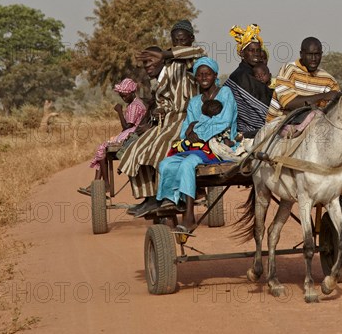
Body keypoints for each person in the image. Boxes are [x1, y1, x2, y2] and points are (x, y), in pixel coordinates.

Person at [266, 36, 342, 220]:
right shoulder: (289, 70)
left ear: (321, 55)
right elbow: (288, 102)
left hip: (316, 128)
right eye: (310, 54)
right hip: (284, 126)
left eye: (317, 55)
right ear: (301, 54)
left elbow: (339, 109)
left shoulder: (328, 79)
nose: (314, 59)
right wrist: (323, 96)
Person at [118, 20, 205, 216]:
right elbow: (165, 99)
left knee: (159, 151)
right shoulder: (169, 67)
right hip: (169, 120)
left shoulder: (194, 60)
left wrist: (165, 54)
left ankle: (171, 196)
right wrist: (161, 110)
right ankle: (149, 198)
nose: (179, 43)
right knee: (136, 149)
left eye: (183, 40)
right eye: (175, 40)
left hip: (187, 119)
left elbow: (197, 51)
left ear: (190, 39)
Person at [153, 57, 239, 231]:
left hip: (219, 146)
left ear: (215, 75)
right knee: (165, 163)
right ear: (196, 78)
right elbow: (186, 129)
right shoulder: (194, 102)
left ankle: (189, 217)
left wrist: (196, 130)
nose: (204, 77)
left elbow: (223, 122)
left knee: (188, 164)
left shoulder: (225, 94)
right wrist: (190, 132)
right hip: (197, 148)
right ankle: (173, 201)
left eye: (208, 74)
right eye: (200, 75)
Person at [78, 78, 146, 195]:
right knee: (103, 149)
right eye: (121, 96)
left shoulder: (134, 106)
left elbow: (126, 126)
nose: (123, 98)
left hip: (133, 134)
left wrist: (119, 111)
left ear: (132, 93)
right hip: (133, 133)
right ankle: (97, 183)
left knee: (103, 148)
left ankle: (105, 185)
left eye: (124, 95)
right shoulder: (135, 104)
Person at [224, 24, 273, 137]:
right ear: (242, 53)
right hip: (245, 131)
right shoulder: (240, 76)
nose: (255, 54)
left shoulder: (253, 73)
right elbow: (266, 101)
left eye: (257, 50)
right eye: (251, 50)